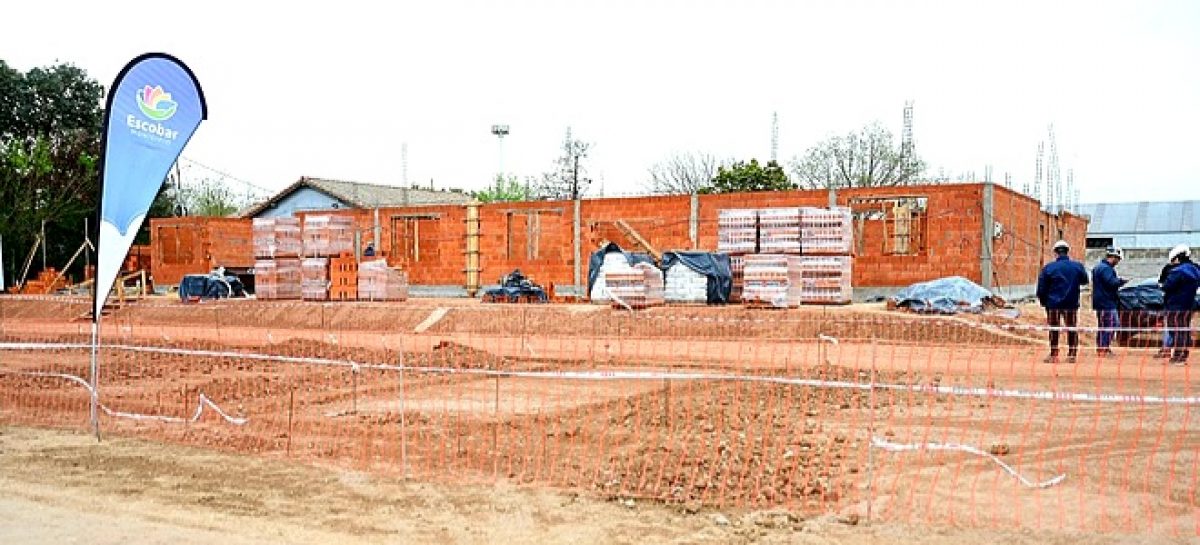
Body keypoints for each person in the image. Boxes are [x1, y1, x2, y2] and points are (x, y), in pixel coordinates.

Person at [1037, 240, 1090, 363]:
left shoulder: (1049, 268)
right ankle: (1072, 354)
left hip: (1053, 304)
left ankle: (1054, 354)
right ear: (1067, 252)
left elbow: (1041, 288)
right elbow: (1084, 281)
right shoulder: (1077, 266)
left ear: (1055, 253)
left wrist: (1044, 302)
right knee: (1071, 328)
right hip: (1071, 303)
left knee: (1054, 329)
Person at [1161, 244, 1200, 365]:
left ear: (1177, 258)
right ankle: (1183, 354)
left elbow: (1167, 286)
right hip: (1188, 305)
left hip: (1175, 305)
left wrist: (1162, 285)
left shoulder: (1177, 271)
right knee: (1183, 329)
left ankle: (1178, 356)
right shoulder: (1195, 270)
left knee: (1176, 330)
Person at [1092, 246, 1128, 358]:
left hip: (1100, 301)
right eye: (1118, 259)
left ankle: (1101, 347)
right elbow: (1110, 282)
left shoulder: (1098, 267)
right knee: (1111, 324)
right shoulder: (1106, 269)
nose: (1118, 262)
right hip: (1106, 302)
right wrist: (1120, 281)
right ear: (1113, 257)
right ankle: (1104, 348)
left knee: (1103, 325)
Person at [1154, 256, 1180, 358]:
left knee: (1170, 326)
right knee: (1173, 326)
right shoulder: (1170, 268)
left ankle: (1167, 348)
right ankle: (1169, 348)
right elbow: (1161, 283)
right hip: (1175, 303)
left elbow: (1162, 284)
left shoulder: (1173, 269)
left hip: (1173, 303)